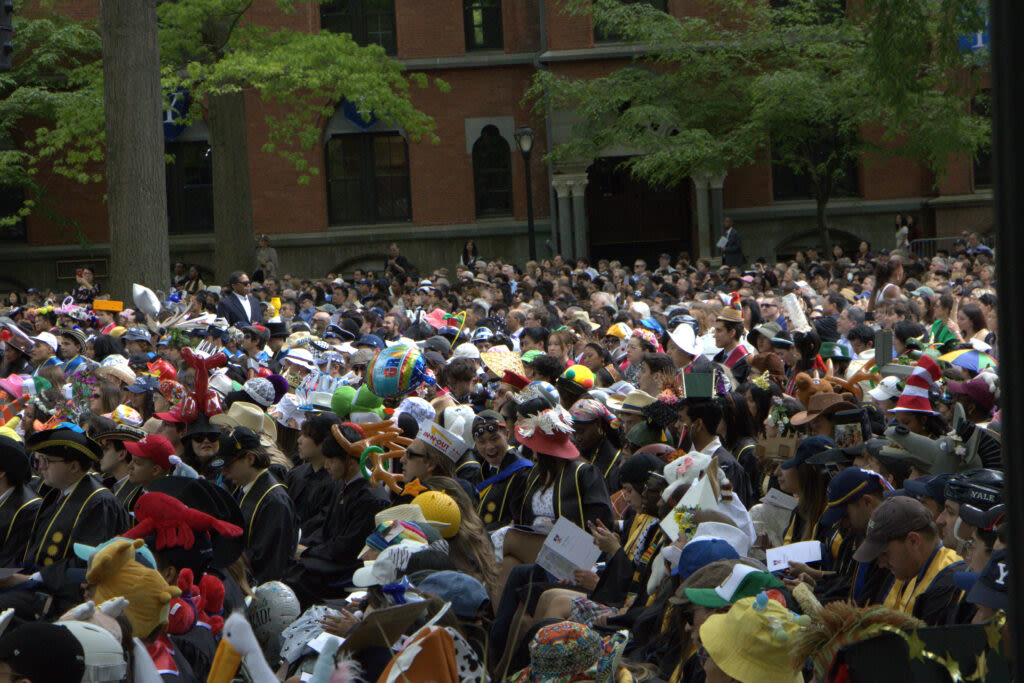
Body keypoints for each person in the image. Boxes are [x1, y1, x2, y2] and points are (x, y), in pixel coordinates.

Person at [853, 496, 965, 625]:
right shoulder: (909, 567)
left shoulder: (947, 582)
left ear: (913, 541)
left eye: (884, 554)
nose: (881, 564)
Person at [219, 426, 296, 584]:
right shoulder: (243, 488)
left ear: (250, 459)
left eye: (228, 466)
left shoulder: (275, 502)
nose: (224, 472)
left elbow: (268, 565)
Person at [472, 410, 532, 531]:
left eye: (494, 439)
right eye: (482, 442)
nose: (489, 447)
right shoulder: (482, 469)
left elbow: (518, 521)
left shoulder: (522, 472)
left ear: (507, 435)